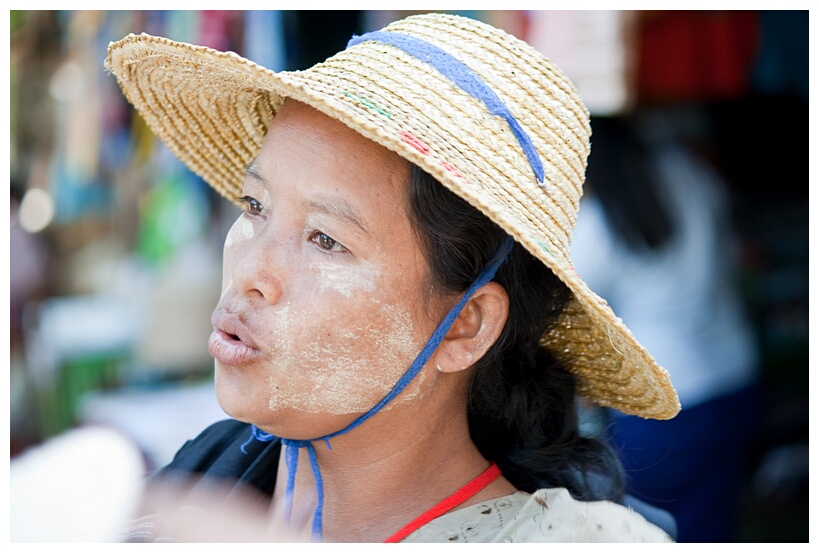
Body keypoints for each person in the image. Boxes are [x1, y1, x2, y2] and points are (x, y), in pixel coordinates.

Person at [105, 13, 680, 542]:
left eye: (326, 239)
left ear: (466, 327)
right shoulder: (199, 477)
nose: (252, 272)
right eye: (255, 207)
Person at [570, 115, 760, 542]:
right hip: (734, 375)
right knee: (712, 524)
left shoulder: (601, 217)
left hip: (662, 404)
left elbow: (563, 305)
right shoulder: (691, 171)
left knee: (654, 534)